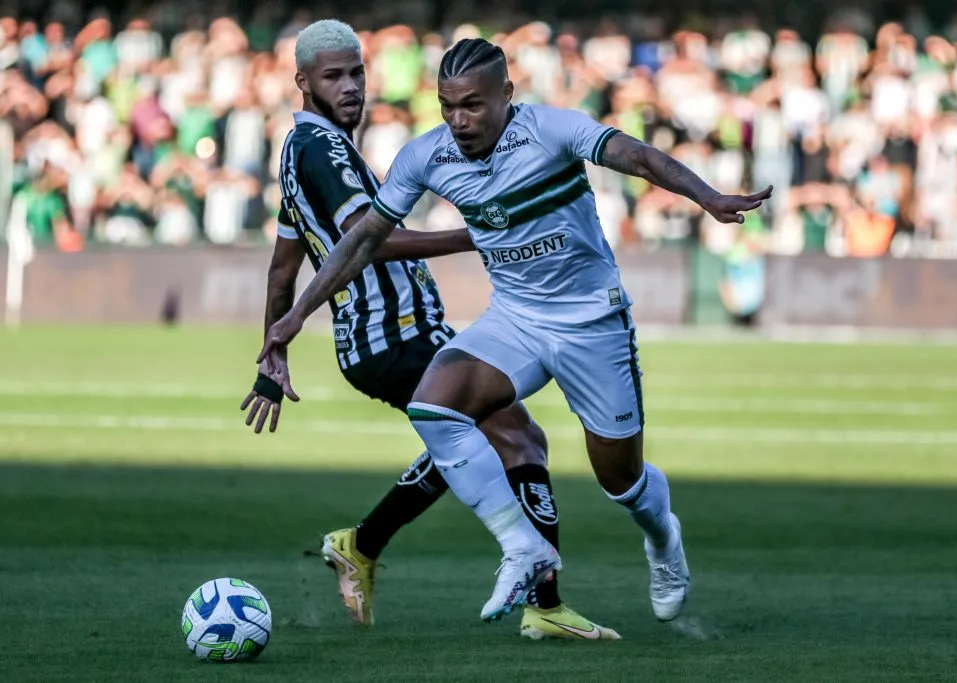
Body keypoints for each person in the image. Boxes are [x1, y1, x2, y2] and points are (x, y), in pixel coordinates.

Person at [260, 35, 772, 624]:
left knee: (621, 481)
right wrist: (294, 319)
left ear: (507, 94)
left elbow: (638, 155)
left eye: (472, 106)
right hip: (515, 319)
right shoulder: (426, 155)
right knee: (435, 407)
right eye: (447, 106)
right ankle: (523, 548)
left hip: (590, 321)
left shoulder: (552, 130)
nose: (458, 121)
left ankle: (663, 539)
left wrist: (704, 195)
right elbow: (363, 240)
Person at [240, 20, 618, 640]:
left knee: (480, 438)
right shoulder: (323, 150)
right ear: (302, 83)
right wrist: (481, 231)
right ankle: (544, 607)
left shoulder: (303, 153)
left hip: (393, 335)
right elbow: (372, 241)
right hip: (390, 334)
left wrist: (269, 358)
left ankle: (363, 544)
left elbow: (285, 266)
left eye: (357, 72)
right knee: (519, 439)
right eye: (334, 77)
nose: (351, 86)